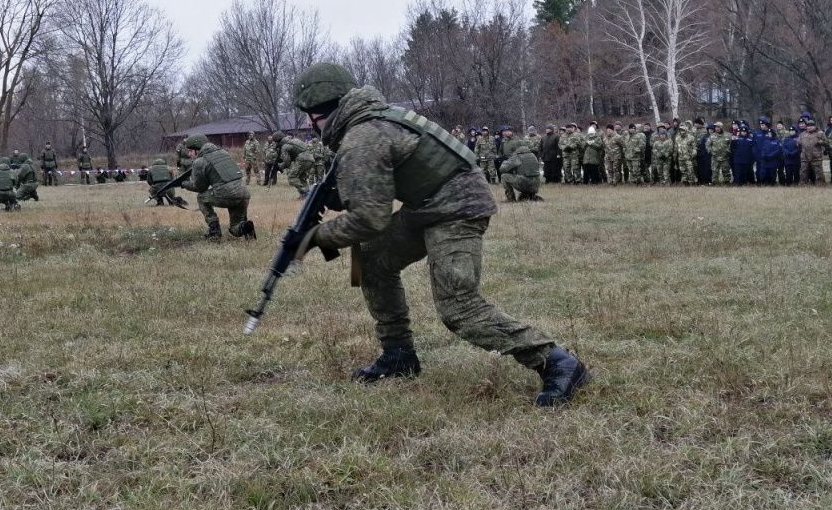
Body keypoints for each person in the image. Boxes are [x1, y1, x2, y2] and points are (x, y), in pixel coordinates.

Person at [290, 62, 589, 407]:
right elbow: (378, 189)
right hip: (427, 206)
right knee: (369, 259)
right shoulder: (377, 120)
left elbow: (367, 220)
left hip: (459, 209)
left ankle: (556, 362)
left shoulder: (363, 136)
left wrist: (313, 238)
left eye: (310, 118)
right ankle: (398, 355)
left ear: (318, 112)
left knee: (458, 307)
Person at [182, 134, 255, 239]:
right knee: (235, 228)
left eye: (190, 151)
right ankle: (246, 226)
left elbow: (200, 187)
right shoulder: (224, 153)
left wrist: (184, 184)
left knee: (201, 198)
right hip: (244, 194)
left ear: (197, 150)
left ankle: (214, 230)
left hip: (227, 194)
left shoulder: (200, 161)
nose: (189, 154)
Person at [274, 131, 316, 197]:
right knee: (301, 177)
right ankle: (305, 196)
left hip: (302, 159)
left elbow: (287, 163)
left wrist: (279, 166)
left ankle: (307, 194)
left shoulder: (284, 147)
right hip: (311, 158)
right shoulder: (294, 140)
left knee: (292, 177)